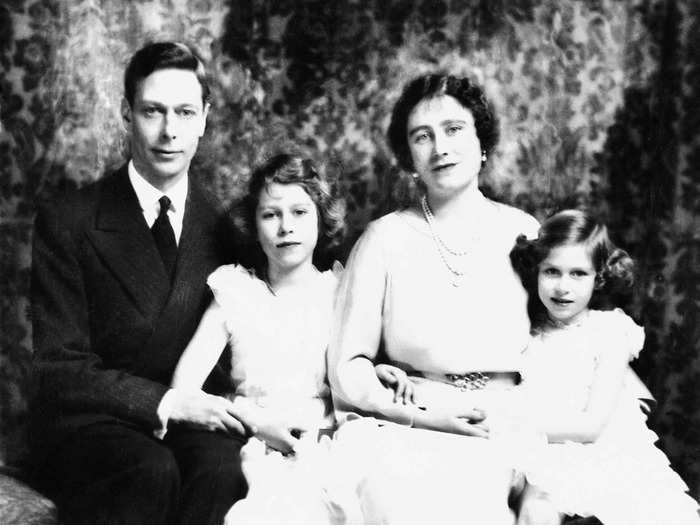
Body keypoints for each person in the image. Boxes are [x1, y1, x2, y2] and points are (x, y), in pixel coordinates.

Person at [30, 42, 248, 525]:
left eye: (185, 112)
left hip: (192, 417)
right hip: (92, 424)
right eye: (153, 111)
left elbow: (255, 332)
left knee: (221, 465)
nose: (169, 131)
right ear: (127, 115)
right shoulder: (70, 220)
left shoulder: (227, 228)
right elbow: (59, 368)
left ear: (205, 118)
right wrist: (166, 402)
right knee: (148, 469)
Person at [328, 73, 541, 524]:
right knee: (400, 492)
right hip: (415, 416)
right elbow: (349, 365)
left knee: (480, 492)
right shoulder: (382, 239)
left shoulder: (524, 232)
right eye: (422, 137)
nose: (440, 147)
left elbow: (561, 333)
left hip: (508, 416)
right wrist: (416, 414)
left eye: (454, 129)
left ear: (482, 142)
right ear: (410, 158)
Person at [171, 153, 361, 525]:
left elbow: (360, 374)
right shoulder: (235, 291)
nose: (285, 227)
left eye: (299, 213)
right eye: (271, 215)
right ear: (254, 226)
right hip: (253, 441)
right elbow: (183, 390)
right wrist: (256, 424)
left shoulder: (339, 292)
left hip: (325, 442)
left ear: (321, 220)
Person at [508, 209, 700, 525]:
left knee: (664, 514)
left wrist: (511, 425)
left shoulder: (610, 332)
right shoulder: (526, 332)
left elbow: (591, 427)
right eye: (552, 272)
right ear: (535, 272)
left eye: (578, 274)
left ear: (599, 277)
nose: (562, 287)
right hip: (547, 452)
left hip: (606, 450)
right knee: (536, 511)